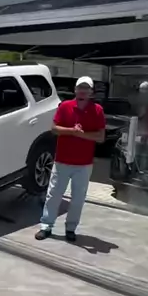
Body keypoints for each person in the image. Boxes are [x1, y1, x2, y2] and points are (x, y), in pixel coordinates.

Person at [35, 76, 105, 242]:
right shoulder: (65, 106)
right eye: (80, 88)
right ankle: (46, 226)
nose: (83, 91)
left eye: (86, 88)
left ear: (91, 92)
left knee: (78, 198)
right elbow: (54, 129)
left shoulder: (97, 110)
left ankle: (71, 228)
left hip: (84, 163)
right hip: (62, 161)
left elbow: (100, 137)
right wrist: (72, 131)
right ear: (75, 90)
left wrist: (81, 134)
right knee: (54, 195)